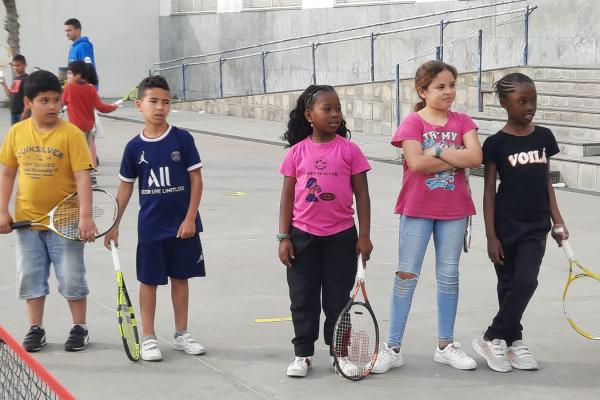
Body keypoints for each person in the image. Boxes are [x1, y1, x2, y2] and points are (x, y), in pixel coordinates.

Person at [371, 60, 483, 374]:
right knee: (406, 276)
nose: (448, 92)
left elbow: (475, 157)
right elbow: (416, 164)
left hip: (454, 211)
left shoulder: (463, 120)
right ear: (423, 90)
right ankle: (392, 347)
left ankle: (445, 345)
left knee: (448, 278)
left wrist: (435, 152)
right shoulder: (412, 123)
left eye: (452, 85)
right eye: (440, 86)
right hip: (417, 209)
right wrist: (451, 156)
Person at [103, 75, 206, 362]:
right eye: (153, 101)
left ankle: (181, 333)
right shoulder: (134, 148)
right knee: (149, 282)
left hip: (182, 227)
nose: (160, 107)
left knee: (180, 279)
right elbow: (125, 187)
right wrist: (113, 224)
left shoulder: (182, 139)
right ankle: (148, 337)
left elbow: (196, 181)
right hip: (150, 228)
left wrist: (189, 218)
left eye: (166, 102)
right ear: (139, 105)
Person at [471, 73, 568, 372]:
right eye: (522, 101)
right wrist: (491, 236)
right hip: (505, 224)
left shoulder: (544, 137)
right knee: (508, 285)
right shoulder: (496, 143)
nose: (530, 106)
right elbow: (488, 191)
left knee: (526, 281)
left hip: (536, 225)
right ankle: (513, 342)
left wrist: (558, 220)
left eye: (533, 100)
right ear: (504, 103)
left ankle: (491, 336)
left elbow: (546, 182)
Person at [278, 84, 373, 378]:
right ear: (309, 114)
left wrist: (365, 236)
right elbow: (287, 197)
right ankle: (303, 354)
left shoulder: (350, 150)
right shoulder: (296, 153)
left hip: (341, 237)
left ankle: (339, 353)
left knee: (338, 301)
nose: (335, 114)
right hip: (302, 236)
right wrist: (283, 237)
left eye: (338, 109)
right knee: (303, 300)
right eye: (326, 109)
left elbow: (363, 195)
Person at [0, 70, 97, 353]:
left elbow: (82, 176)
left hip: (66, 222)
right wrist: (3, 210)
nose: (53, 106)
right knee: (31, 277)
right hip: (28, 223)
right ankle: (36, 328)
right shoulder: (17, 132)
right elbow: (7, 173)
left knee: (71, 277)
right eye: (45, 100)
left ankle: (79, 327)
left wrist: (86, 216)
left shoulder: (72, 134)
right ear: (28, 102)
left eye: (57, 100)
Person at [62, 61, 120, 187]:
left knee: (75, 153)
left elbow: (62, 102)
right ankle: (91, 177)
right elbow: (101, 107)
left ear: (78, 75)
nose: (69, 76)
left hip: (75, 129)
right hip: (89, 127)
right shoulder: (91, 89)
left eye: (71, 73)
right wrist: (113, 106)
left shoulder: (69, 88)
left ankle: (75, 178)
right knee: (87, 152)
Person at [1, 54, 28, 125]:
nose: (15, 68)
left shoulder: (26, 79)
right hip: (13, 113)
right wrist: (4, 84)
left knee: (23, 134)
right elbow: (10, 95)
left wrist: (25, 112)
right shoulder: (15, 79)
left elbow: (28, 97)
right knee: (15, 134)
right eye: (14, 65)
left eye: (18, 65)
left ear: (25, 65)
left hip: (22, 113)